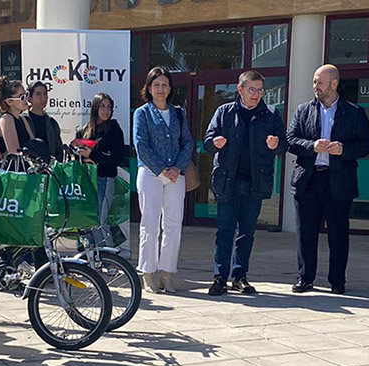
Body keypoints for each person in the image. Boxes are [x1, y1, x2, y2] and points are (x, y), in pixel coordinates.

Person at [287, 64, 369, 295]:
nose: (316, 86)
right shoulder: (304, 110)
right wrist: (311, 146)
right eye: (314, 81)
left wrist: (344, 149)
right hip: (308, 180)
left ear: (334, 83)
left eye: (320, 82)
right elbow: (290, 140)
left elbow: (366, 145)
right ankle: (305, 278)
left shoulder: (354, 112)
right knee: (306, 232)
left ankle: (337, 281)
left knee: (338, 233)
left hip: (339, 181)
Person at [203, 71, 288, 296]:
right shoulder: (224, 112)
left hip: (255, 182)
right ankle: (220, 277)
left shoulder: (270, 114)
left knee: (247, 232)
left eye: (260, 90)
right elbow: (207, 141)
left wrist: (276, 144)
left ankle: (239, 276)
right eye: (252, 90)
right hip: (228, 182)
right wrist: (214, 142)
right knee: (225, 231)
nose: (257, 95)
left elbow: (283, 146)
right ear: (240, 90)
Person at [133, 66, 194, 294]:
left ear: (170, 89)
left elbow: (187, 142)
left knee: (173, 225)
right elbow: (140, 144)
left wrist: (177, 167)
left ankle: (167, 273)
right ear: (149, 87)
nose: (161, 89)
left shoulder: (178, 112)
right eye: (156, 85)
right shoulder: (142, 113)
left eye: (165, 85)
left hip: (176, 175)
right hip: (150, 173)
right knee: (149, 224)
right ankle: (148, 273)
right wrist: (161, 169)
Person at [75, 92, 125, 249]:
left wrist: (94, 156)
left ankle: (109, 257)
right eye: (102, 106)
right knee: (89, 221)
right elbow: (78, 157)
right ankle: (93, 257)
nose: (106, 110)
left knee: (100, 220)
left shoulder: (114, 129)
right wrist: (84, 158)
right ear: (95, 108)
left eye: (109, 107)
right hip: (86, 183)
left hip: (105, 179)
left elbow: (116, 158)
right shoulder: (83, 131)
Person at [0, 76, 34, 155]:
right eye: (22, 97)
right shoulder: (6, 119)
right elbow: (14, 151)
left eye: (26, 94)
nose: (26, 99)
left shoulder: (22, 119)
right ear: (10, 102)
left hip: (27, 165)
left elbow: (33, 143)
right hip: (13, 166)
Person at [24, 81, 64, 161]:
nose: (43, 98)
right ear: (30, 98)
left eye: (45, 94)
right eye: (38, 94)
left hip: (49, 167)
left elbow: (58, 147)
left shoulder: (52, 122)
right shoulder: (24, 120)